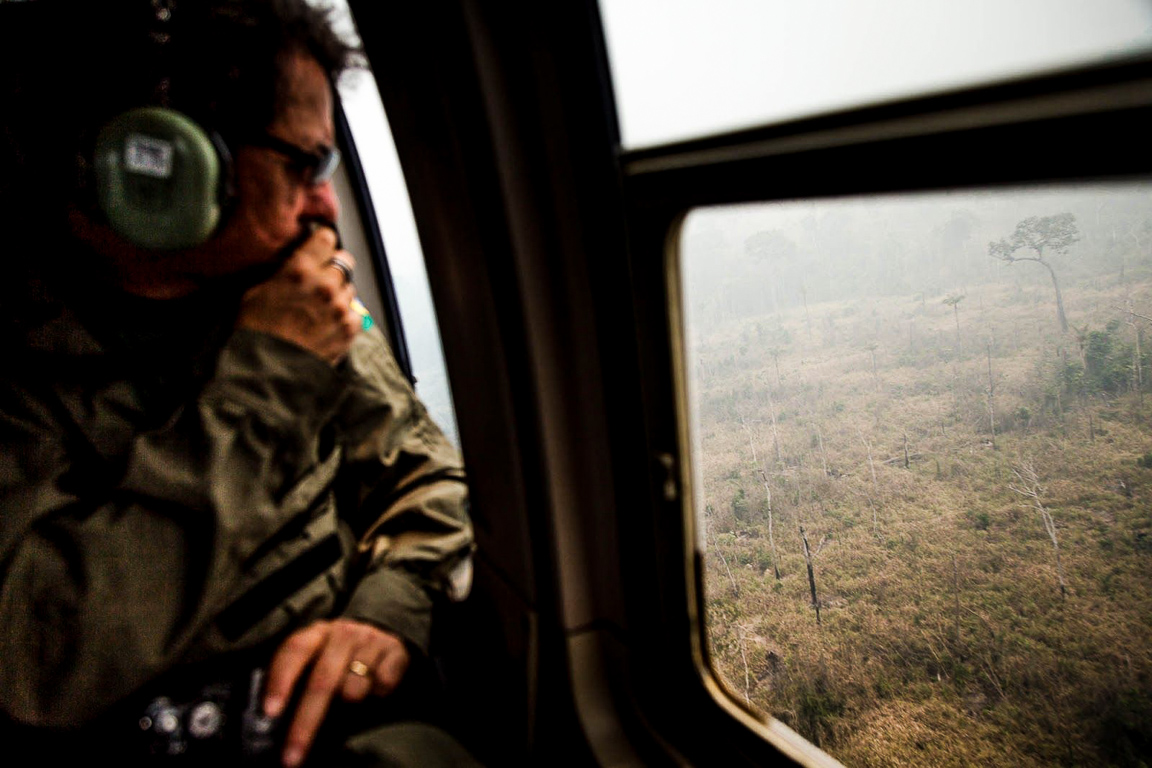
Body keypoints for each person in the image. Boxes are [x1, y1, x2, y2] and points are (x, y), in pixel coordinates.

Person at [0, 1, 479, 765]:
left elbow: (421, 474)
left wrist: (386, 613)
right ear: (170, 162)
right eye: (305, 166)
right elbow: (39, 652)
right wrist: (271, 375)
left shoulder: (298, 294)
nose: (326, 205)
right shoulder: (26, 364)